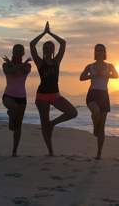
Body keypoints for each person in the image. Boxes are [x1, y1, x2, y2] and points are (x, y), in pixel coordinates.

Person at [30, 21, 78, 156]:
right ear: (43, 50)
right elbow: (32, 45)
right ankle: (50, 151)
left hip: (55, 95)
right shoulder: (39, 62)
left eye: (51, 47)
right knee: (44, 123)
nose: (48, 49)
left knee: (72, 112)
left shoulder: (57, 61)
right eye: (46, 47)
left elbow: (63, 43)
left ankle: (53, 123)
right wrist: (43, 33)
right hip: (42, 96)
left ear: (53, 50)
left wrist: (50, 33)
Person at [79, 44, 119, 159]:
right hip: (92, 94)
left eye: (101, 50)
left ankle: (99, 153)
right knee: (95, 112)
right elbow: (81, 77)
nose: (99, 52)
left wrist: (107, 74)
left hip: (104, 95)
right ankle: (94, 127)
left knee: (102, 127)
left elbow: (117, 76)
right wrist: (92, 75)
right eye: (97, 50)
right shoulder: (90, 66)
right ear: (95, 52)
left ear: (104, 52)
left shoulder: (110, 66)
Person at [2, 44, 31, 157]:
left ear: (23, 53)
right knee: (13, 108)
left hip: (22, 98)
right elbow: (9, 71)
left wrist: (15, 64)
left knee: (17, 127)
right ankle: (10, 113)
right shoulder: (5, 65)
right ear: (13, 52)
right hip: (8, 96)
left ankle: (14, 151)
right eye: (16, 50)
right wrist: (13, 65)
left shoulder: (27, 66)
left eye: (20, 51)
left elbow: (22, 70)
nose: (18, 52)